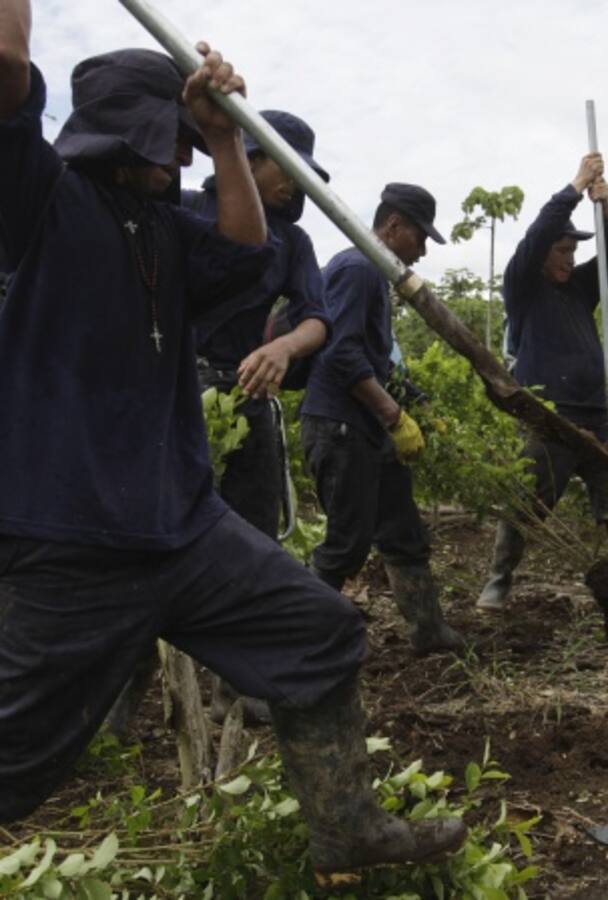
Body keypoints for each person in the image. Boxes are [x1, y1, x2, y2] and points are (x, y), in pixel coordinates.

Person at [0, 2, 465, 882]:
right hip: (74, 544)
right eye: (170, 139)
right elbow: (6, 70)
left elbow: (250, 249)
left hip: (184, 524)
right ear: (121, 139)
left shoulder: (168, 228)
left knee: (319, 631)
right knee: (15, 766)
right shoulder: (40, 202)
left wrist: (223, 141)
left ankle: (347, 828)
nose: (178, 155)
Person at [183, 109, 332, 726]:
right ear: (247, 153)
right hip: (174, 391)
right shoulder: (188, 211)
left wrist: (283, 347)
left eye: (302, 175)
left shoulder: (293, 242)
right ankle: (118, 695)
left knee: (252, 538)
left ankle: (235, 687)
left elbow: (316, 318)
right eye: (285, 167)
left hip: (246, 394)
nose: (293, 185)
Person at [300, 183, 465, 655]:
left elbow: (375, 360)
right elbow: (341, 353)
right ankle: (298, 643)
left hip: (366, 429)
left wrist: (418, 402)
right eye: (421, 238)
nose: (423, 251)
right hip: (341, 428)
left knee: (403, 534)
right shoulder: (357, 269)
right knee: (345, 547)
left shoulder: (370, 273)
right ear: (393, 226)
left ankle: (429, 633)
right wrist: (394, 415)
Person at [476, 152, 608, 613]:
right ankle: (498, 580)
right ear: (543, 254)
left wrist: (605, 208)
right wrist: (575, 186)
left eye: (574, 251)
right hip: (552, 417)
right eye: (562, 251)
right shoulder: (523, 287)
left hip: (598, 414)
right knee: (527, 501)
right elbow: (535, 235)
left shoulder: (579, 289)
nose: (571, 259)